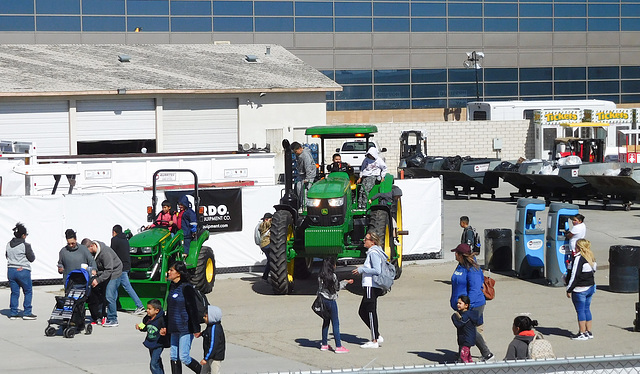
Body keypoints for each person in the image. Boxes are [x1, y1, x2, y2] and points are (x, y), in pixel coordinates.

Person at [450, 243, 494, 361]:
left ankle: (487, 354)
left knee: (470, 330)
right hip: (462, 305)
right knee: (462, 329)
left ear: (461, 255)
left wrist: (467, 306)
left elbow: (475, 289)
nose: (454, 254)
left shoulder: (472, 268)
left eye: (456, 252)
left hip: (473, 305)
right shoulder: (460, 266)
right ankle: (461, 354)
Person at [159, 261, 202, 374]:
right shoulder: (172, 286)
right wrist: (165, 326)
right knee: (174, 356)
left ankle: (203, 372)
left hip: (185, 327)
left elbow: (192, 308)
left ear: (179, 273)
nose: (168, 272)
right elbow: (169, 309)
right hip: (174, 327)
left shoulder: (186, 288)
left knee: (184, 357)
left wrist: (196, 328)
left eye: (171, 270)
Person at [351, 231, 386, 349]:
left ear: (372, 242)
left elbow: (377, 270)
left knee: (371, 312)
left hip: (372, 286)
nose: (364, 241)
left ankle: (374, 340)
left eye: (366, 239)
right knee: (362, 311)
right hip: (369, 286)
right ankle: (376, 334)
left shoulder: (374, 253)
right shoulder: (373, 252)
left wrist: (362, 270)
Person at [83, 238, 123, 327]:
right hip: (105, 273)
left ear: (92, 246)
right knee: (103, 295)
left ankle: (113, 319)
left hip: (114, 273)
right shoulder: (94, 254)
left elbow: (109, 270)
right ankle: (103, 316)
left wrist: (98, 280)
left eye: (88, 251)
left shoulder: (105, 253)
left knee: (109, 296)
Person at [318, 257, 353, 353]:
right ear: (332, 266)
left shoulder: (320, 276)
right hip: (331, 301)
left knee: (326, 322)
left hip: (323, 300)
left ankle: (324, 344)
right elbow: (337, 288)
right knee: (335, 323)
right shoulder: (332, 276)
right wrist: (345, 282)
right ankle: (338, 346)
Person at [566, 238, 596, 341]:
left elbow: (575, 275)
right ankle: (588, 332)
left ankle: (582, 333)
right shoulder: (590, 257)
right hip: (591, 287)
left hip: (580, 289)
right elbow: (594, 270)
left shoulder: (578, 258)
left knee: (580, 311)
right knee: (587, 309)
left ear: (578, 247)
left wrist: (569, 289)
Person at [111, 224, 145, 314]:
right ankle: (115, 305)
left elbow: (112, 253)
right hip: (126, 266)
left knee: (127, 287)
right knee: (115, 287)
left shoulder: (115, 240)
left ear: (114, 232)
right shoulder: (126, 240)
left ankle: (139, 305)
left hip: (119, 267)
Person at [6, 222, 37, 320]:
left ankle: (13, 312)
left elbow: (6, 256)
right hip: (22, 269)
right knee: (28, 291)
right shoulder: (25, 245)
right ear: (23, 235)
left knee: (14, 292)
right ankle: (27, 312)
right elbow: (31, 258)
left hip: (11, 270)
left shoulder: (8, 244)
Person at [136, 299, 168, 374]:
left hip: (159, 343)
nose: (147, 310)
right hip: (150, 343)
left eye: (150, 309)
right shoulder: (147, 318)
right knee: (157, 362)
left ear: (157, 310)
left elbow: (166, 329)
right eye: (147, 308)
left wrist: (164, 332)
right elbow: (144, 326)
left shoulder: (161, 319)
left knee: (153, 364)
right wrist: (140, 327)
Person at [197, 305, 226, 374]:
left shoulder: (215, 329)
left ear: (212, 317)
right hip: (209, 355)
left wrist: (206, 358)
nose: (204, 318)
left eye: (206, 316)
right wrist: (202, 334)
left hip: (214, 356)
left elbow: (213, 344)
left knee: (214, 371)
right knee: (204, 371)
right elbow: (207, 333)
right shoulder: (210, 326)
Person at [451, 295, 479, 363]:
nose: (458, 305)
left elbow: (459, 324)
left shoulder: (466, 316)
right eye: (457, 303)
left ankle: (466, 368)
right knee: (468, 356)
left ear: (466, 305)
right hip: (465, 339)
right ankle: (471, 365)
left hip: (467, 339)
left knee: (463, 356)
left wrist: (454, 318)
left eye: (460, 303)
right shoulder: (465, 314)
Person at [254, 212, 272, 281]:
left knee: (270, 261)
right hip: (268, 244)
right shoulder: (265, 224)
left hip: (263, 246)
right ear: (267, 219)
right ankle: (266, 277)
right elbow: (269, 223)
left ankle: (265, 277)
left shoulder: (260, 225)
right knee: (272, 260)